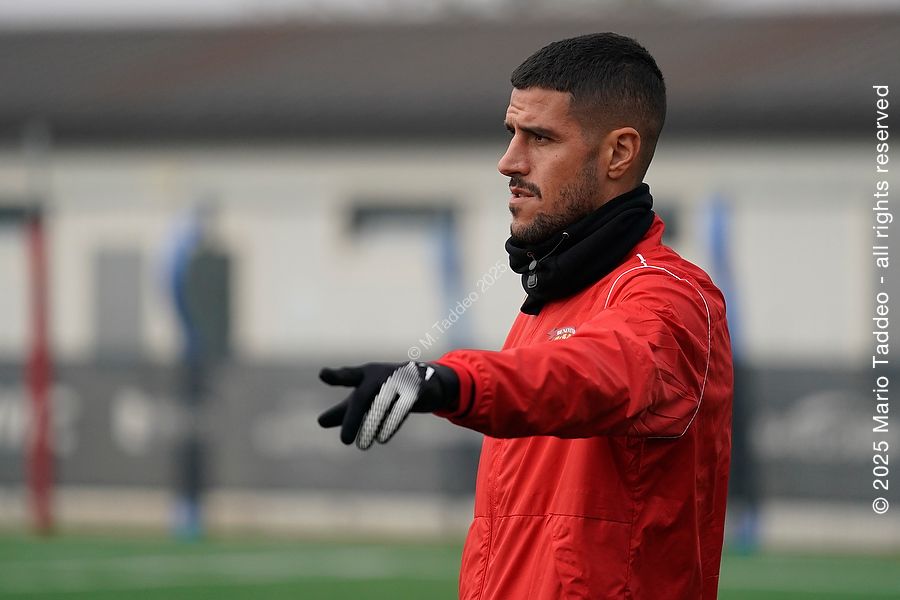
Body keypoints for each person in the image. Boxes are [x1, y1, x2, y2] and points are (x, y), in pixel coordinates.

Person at [318, 32, 733, 599]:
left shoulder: (669, 297)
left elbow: (596, 371)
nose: (508, 162)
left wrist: (451, 381)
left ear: (618, 153)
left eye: (540, 138)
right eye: (512, 133)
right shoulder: (553, 296)